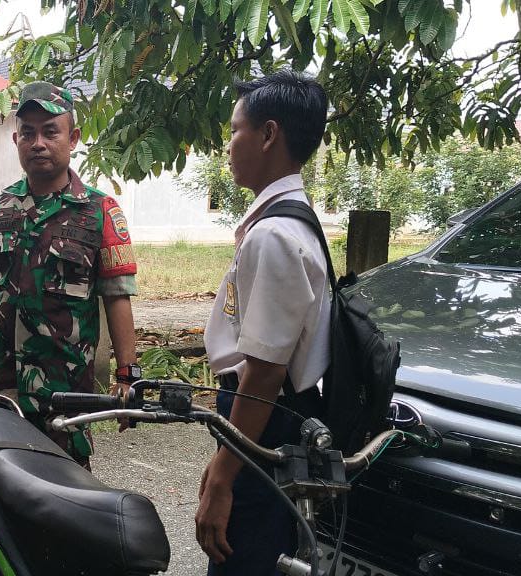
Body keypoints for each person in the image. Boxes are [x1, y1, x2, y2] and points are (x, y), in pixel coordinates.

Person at [0, 81, 140, 467]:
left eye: (50, 131)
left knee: (68, 505)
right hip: (0, 390)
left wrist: (127, 376)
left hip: (67, 395)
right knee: (0, 492)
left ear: (72, 138)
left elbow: (117, 297)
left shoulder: (99, 211)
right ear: (16, 139)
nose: (38, 142)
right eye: (28, 133)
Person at [194, 70, 332, 575]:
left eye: (235, 130)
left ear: (269, 134)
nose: (229, 145)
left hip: (264, 422)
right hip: (267, 419)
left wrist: (223, 479)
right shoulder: (292, 219)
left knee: (241, 558)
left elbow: (266, 374)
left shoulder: (273, 235)